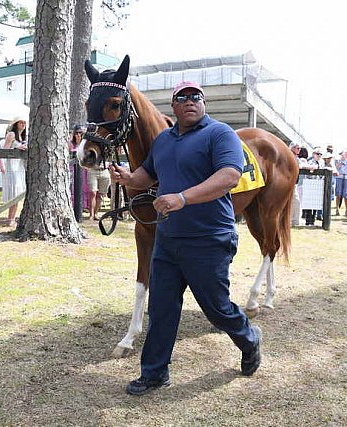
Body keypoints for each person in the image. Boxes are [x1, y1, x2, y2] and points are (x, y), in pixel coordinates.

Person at [108, 81, 261, 396]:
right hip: (168, 239)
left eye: (196, 97)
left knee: (217, 309)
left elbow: (229, 176)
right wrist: (127, 176)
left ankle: (249, 338)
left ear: (203, 103)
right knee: (161, 307)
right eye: (183, 97)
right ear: (174, 106)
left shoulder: (220, 134)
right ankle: (154, 373)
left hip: (208, 239)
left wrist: (182, 198)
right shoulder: (164, 140)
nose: (190, 101)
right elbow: (147, 175)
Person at [0, 116, 28, 227]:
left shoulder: (23, 136)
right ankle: (10, 218)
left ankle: (12, 217)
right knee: (13, 191)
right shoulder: (11, 135)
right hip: (11, 166)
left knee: (18, 191)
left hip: (20, 165)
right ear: (16, 124)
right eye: (20, 122)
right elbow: (4, 151)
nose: (22, 124)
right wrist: (17, 148)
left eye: (24, 122)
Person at [334, 149, 347, 216]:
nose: (344, 155)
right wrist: (340, 160)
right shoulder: (337, 159)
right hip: (339, 177)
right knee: (338, 194)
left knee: (346, 195)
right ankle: (337, 209)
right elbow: (336, 167)